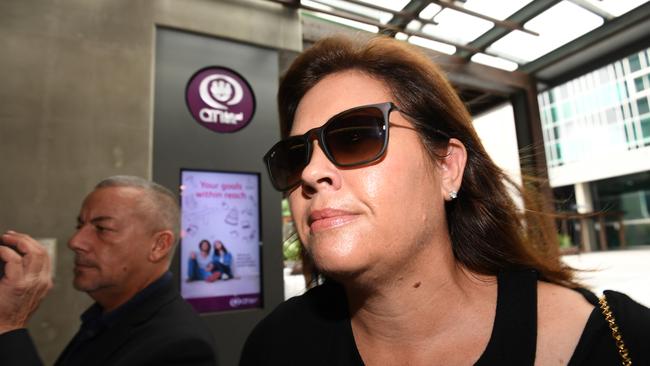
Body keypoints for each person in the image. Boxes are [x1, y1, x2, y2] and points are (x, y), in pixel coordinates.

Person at [240, 35, 650, 365]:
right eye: (296, 156)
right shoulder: (275, 346)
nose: (310, 173)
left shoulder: (616, 341)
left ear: (447, 168)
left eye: (355, 137)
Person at [0, 176, 218, 366]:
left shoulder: (180, 347)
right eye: (80, 226)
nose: (75, 241)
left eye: (102, 229)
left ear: (158, 246)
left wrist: (9, 325)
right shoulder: (106, 318)